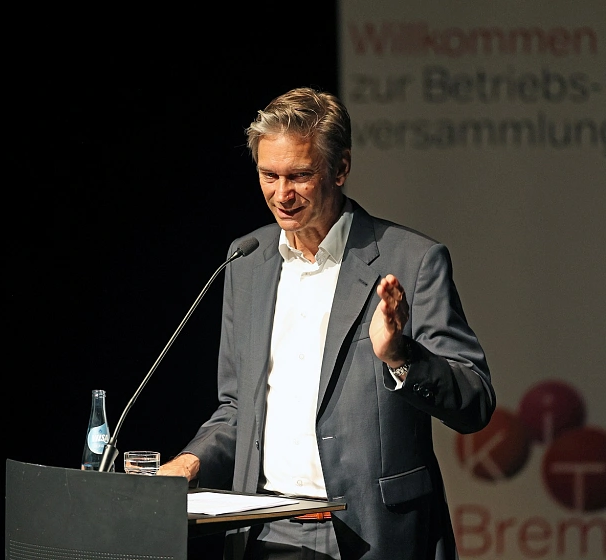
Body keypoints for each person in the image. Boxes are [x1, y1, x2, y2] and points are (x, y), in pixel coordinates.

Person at [157, 87, 495, 560]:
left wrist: (400, 357)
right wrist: (190, 462)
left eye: (299, 175)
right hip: (263, 532)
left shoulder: (413, 260)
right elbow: (237, 409)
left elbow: (475, 402)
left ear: (340, 168)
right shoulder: (246, 261)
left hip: (373, 535)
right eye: (269, 175)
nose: (281, 194)